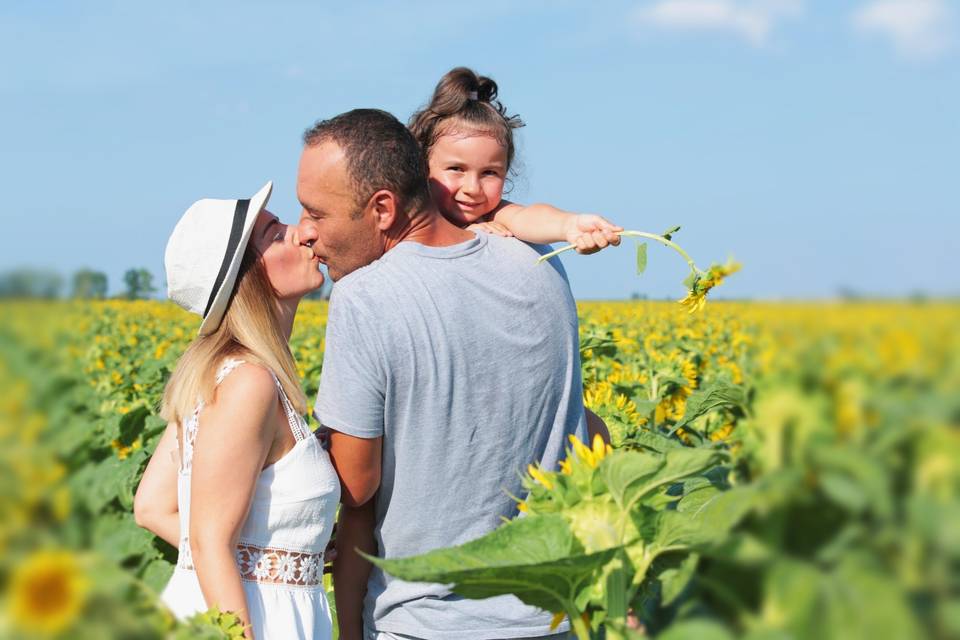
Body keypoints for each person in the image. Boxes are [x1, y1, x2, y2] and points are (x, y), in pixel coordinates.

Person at [296, 109, 603, 640]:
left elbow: (357, 482)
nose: (306, 233)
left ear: (383, 209)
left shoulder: (362, 297)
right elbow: (581, 424)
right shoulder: (541, 263)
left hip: (430, 619)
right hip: (554, 612)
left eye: (316, 213)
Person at [133, 182, 338, 640]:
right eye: (274, 233)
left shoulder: (224, 372)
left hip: (247, 607)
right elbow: (208, 541)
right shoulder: (248, 382)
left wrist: (287, 555)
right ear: (248, 275)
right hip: (250, 621)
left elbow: (151, 506)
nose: (303, 232)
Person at [409, 66, 618, 442]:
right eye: (455, 169)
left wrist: (571, 225)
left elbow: (529, 216)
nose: (472, 188)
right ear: (423, 166)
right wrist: (462, 235)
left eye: (490, 172)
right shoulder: (412, 228)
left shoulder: (495, 214)